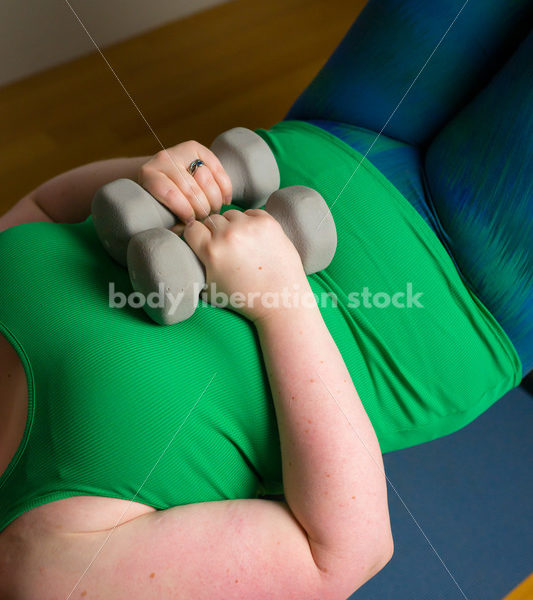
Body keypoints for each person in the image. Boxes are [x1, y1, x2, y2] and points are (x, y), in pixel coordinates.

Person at [1, 0, 531, 596]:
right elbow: (341, 554)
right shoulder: (46, 568)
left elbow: (44, 210)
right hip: (458, 288)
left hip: (328, 135)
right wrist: (280, 298)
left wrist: (170, 182)